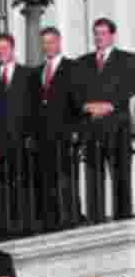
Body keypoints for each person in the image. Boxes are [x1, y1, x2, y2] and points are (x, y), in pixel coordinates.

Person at [69, 18, 134, 220]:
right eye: (96, 33)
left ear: (112, 35)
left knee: (121, 176)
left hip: (118, 127)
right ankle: (96, 220)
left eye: (103, 33)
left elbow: (130, 86)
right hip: (91, 128)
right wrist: (86, 106)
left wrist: (110, 104)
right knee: (92, 178)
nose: (99, 37)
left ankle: (123, 220)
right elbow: (74, 91)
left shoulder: (128, 59)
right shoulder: (82, 62)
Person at [29, 28, 78, 230]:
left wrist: (76, 128)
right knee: (46, 178)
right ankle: (50, 220)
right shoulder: (36, 72)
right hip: (42, 134)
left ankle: (70, 216)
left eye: (51, 42)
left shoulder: (72, 67)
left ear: (59, 42)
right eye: (44, 43)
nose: (47, 46)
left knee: (66, 177)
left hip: (65, 132)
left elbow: (77, 99)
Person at [0, 33, 35, 165]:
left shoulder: (28, 74)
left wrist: (32, 136)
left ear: (12, 49)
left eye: (5, 48)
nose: (1, 52)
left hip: (23, 143)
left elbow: (32, 107)